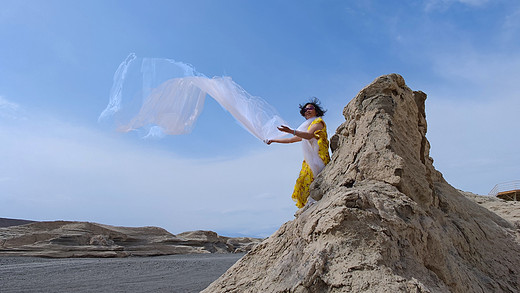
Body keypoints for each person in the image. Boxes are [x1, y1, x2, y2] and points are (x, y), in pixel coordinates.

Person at [266, 98, 331, 208]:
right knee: (302, 182)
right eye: (305, 110)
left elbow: (309, 135)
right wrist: (273, 140)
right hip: (310, 160)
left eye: (310, 108)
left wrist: (291, 131)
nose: (307, 110)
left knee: (311, 180)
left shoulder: (318, 122)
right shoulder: (307, 127)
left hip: (319, 157)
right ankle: (311, 204)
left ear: (316, 111)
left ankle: (315, 202)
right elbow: (291, 140)